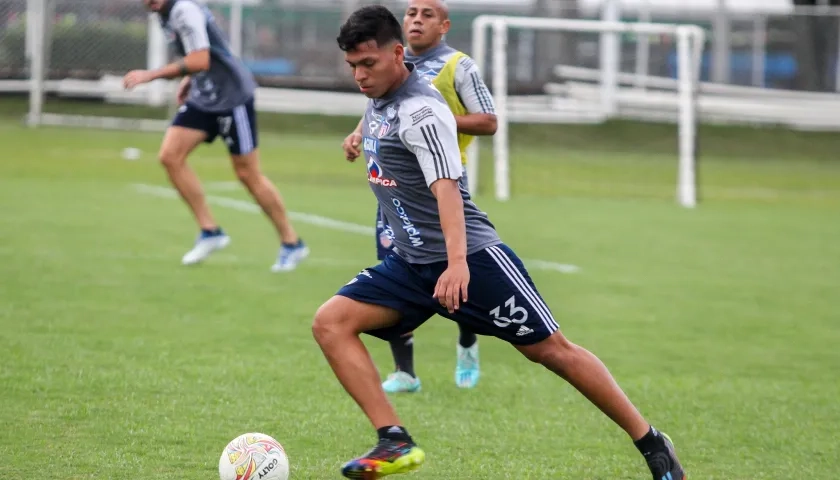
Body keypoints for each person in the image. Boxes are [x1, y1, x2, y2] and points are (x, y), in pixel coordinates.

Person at [314, 5, 687, 479]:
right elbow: (380, 126)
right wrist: (358, 135)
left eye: (368, 64)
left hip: (470, 257)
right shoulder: (381, 98)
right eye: (353, 67)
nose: (360, 76)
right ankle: (393, 440)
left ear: (397, 54)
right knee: (331, 322)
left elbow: (446, 189)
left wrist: (456, 265)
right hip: (410, 266)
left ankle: (652, 442)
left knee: (551, 351)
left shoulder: (423, 110)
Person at [341, 0, 497, 393]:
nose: (416, 20)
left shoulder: (458, 66)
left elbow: (489, 121)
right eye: (411, 12)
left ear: (444, 25)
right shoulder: (381, 62)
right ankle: (405, 371)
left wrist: (431, 116)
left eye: (427, 14)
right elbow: (382, 108)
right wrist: (361, 132)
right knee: (394, 270)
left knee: (457, 273)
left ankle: (466, 341)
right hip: (393, 187)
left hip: (439, 185)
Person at [123, 0, 309, 271]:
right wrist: (191, 79)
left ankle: (292, 243)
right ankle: (210, 231)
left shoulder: (184, 10)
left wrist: (151, 75)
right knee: (170, 156)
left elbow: (201, 59)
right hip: (204, 96)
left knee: (248, 174)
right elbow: (203, 51)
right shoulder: (163, 12)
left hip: (232, 98)